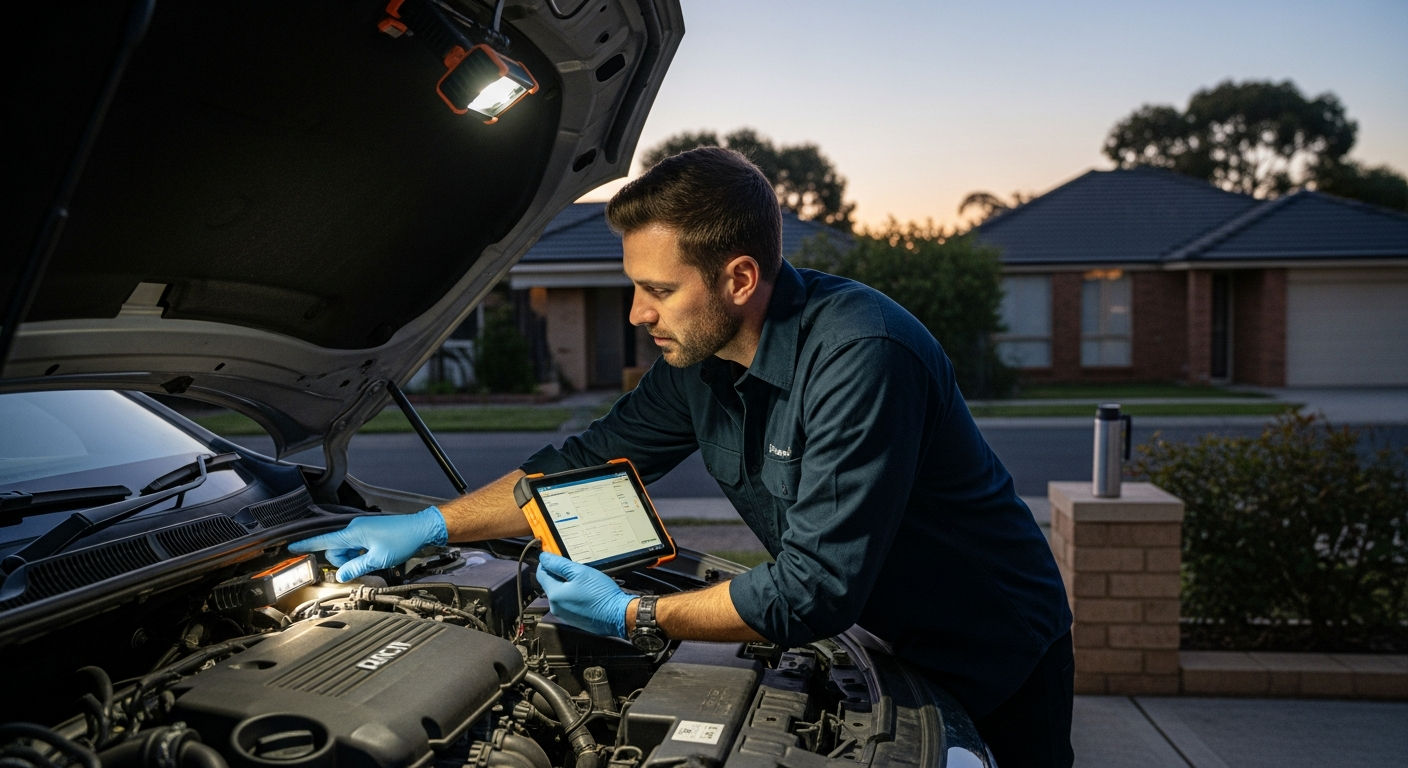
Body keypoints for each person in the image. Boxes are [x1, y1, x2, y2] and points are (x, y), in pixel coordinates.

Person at [290, 147, 1073, 767]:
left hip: (995, 647)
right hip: (887, 639)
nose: (637, 314)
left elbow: (816, 589)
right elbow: (581, 461)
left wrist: (635, 615)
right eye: (633, 288)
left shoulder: (862, 354)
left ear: (738, 278)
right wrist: (428, 526)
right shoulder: (696, 366)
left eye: (658, 290)